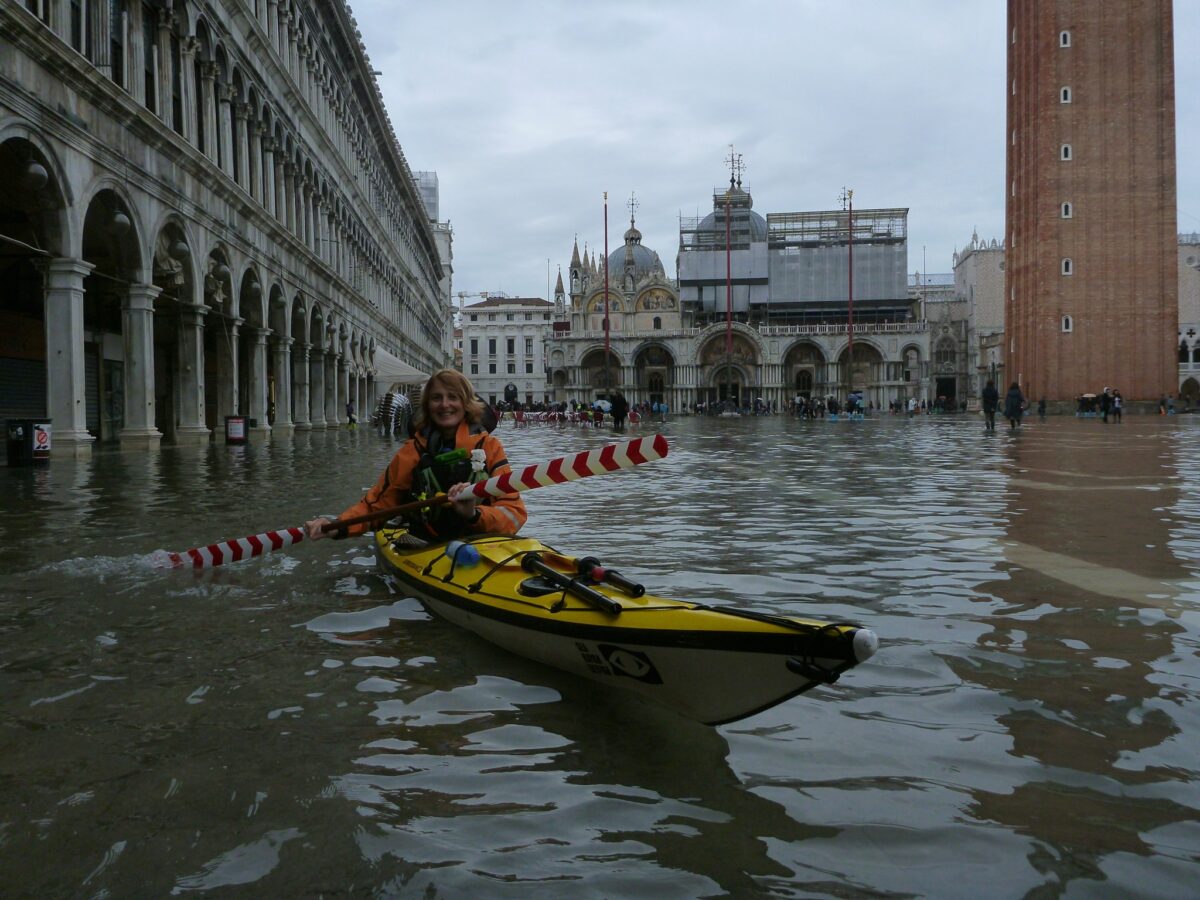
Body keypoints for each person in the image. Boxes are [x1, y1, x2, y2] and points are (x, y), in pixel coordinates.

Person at [305, 369, 526, 546]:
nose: (445, 405)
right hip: (426, 542)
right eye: (436, 398)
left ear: (466, 403)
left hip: (483, 543)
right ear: (428, 406)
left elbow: (514, 514)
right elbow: (377, 506)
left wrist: (473, 514)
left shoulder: (490, 447)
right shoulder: (412, 451)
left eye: (453, 397)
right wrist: (337, 526)